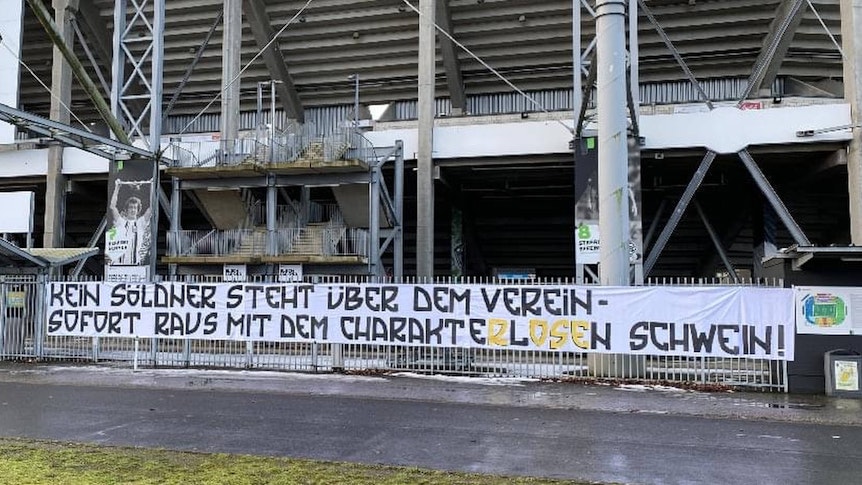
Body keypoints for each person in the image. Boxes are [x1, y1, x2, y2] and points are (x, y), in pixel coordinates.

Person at [109, 179, 151, 265]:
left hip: (136, 264)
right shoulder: (121, 222)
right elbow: (112, 206)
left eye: (135, 208)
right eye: (131, 207)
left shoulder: (140, 223)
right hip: (119, 264)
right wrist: (117, 188)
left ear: (138, 210)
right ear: (126, 209)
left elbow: (151, 207)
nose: (133, 210)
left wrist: (152, 187)